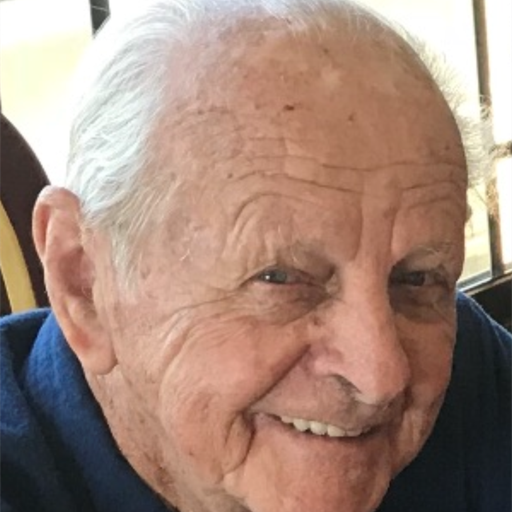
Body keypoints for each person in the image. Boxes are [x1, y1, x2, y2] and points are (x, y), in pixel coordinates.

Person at [0, 0, 511, 511]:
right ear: (83, 282)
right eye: (282, 277)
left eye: (417, 277)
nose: (381, 377)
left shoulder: (467, 370)